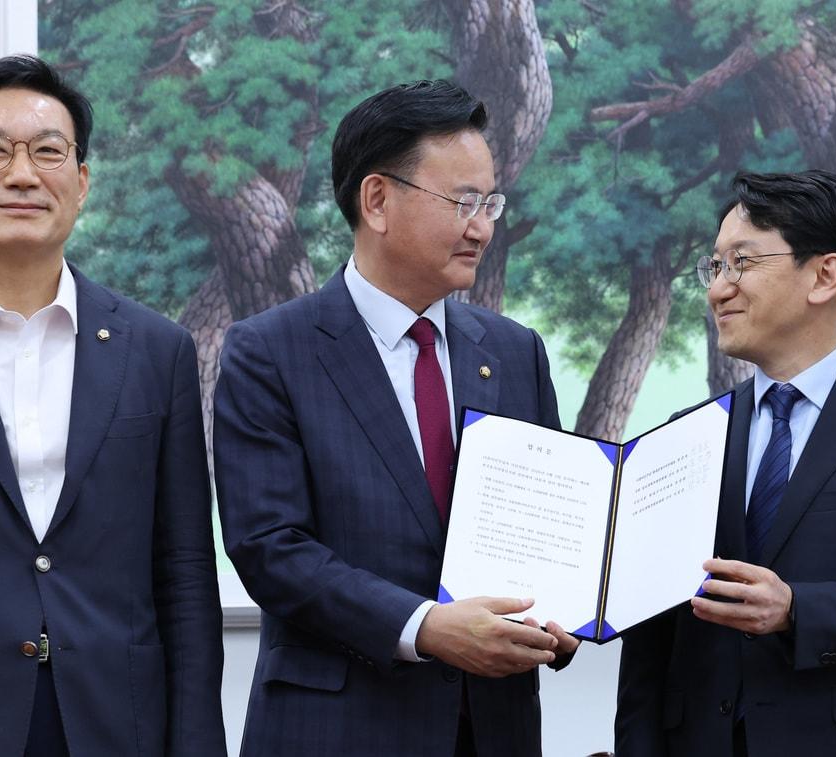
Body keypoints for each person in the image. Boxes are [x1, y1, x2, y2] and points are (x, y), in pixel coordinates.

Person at [214, 79, 579, 757]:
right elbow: (271, 549)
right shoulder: (270, 352)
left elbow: (547, 535)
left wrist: (561, 615)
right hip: (338, 730)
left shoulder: (513, 350)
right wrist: (426, 626)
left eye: (491, 201)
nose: (484, 226)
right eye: (464, 202)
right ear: (376, 200)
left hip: (492, 730)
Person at [0, 55, 225, 756]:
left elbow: (185, 574)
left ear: (80, 183)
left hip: (115, 720)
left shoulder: (155, 348)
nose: (22, 174)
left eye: (48, 151)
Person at [615, 170, 836, 756]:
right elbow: (649, 646)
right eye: (714, 267)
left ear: (824, 275)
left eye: (742, 263)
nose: (718, 289)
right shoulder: (686, 433)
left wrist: (797, 610)